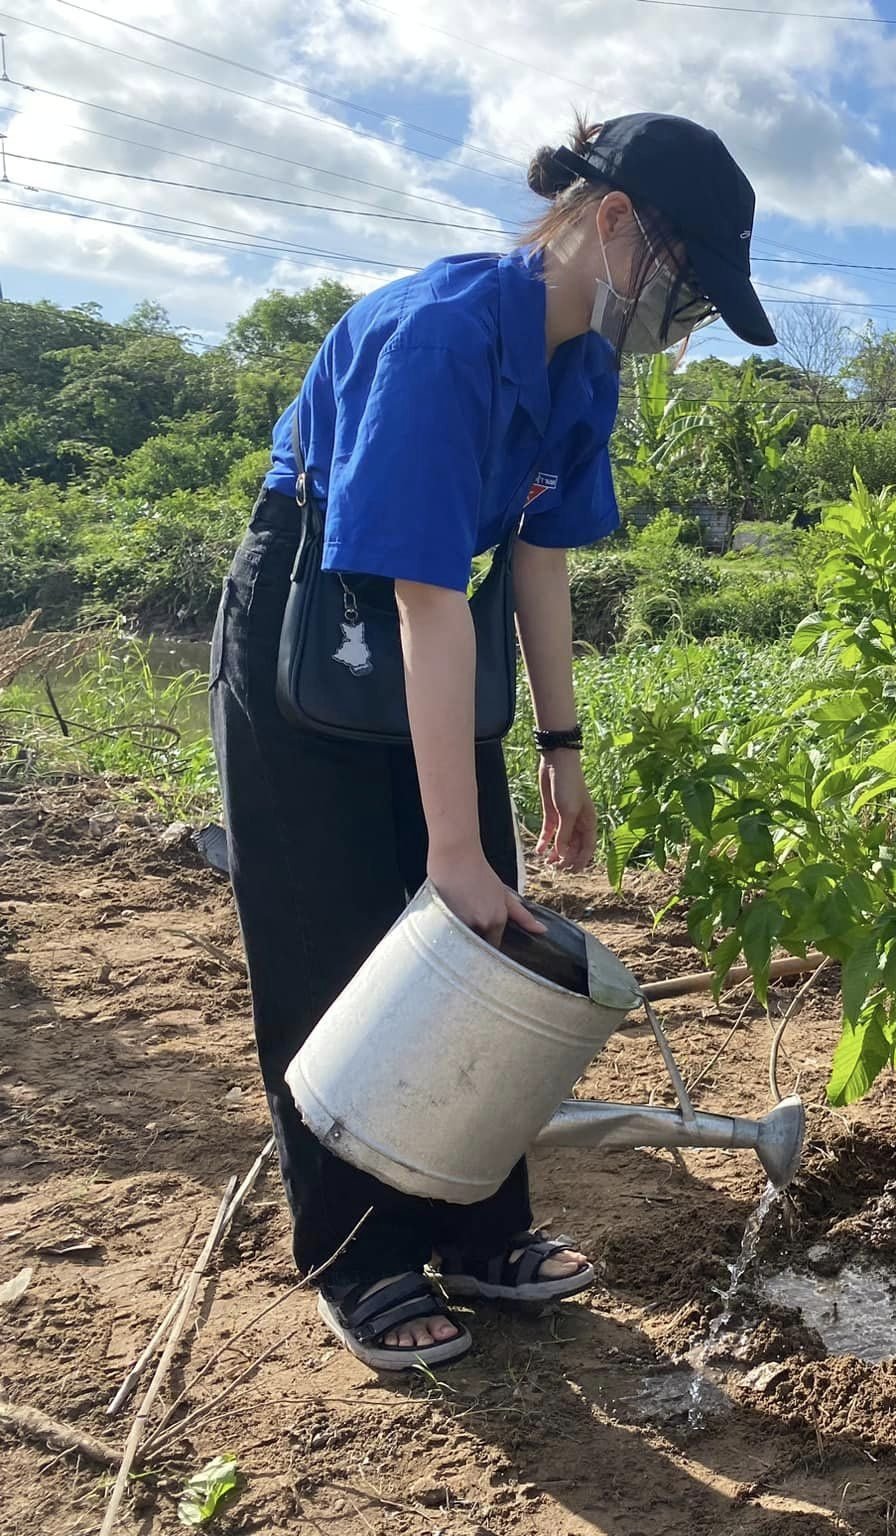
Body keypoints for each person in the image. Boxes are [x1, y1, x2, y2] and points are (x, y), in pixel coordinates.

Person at [209, 113, 776, 1370]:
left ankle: (475, 1227)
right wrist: (450, 851)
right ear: (616, 225)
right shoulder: (442, 335)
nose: (678, 327)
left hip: (432, 624)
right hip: (315, 615)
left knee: (488, 933)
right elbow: (411, 595)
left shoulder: (586, 365)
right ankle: (357, 1258)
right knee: (338, 935)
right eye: (685, 295)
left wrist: (557, 749)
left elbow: (536, 554)